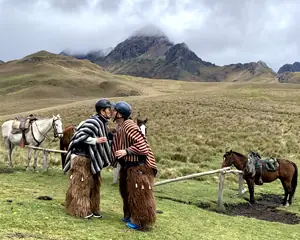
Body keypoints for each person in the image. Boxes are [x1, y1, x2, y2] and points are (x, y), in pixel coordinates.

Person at [63, 98, 114, 219]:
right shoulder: (93, 121)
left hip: (90, 158)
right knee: (82, 183)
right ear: (102, 111)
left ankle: (92, 207)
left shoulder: (102, 123)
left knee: (94, 184)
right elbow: (79, 136)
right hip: (82, 157)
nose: (111, 111)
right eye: (109, 109)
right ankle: (80, 209)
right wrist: (94, 140)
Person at [111, 101, 157, 231]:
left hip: (138, 167)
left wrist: (126, 151)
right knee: (127, 192)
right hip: (128, 166)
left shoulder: (129, 126)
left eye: (115, 110)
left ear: (120, 114)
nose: (112, 112)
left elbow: (143, 147)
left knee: (139, 194)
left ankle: (141, 221)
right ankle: (129, 215)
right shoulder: (122, 126)